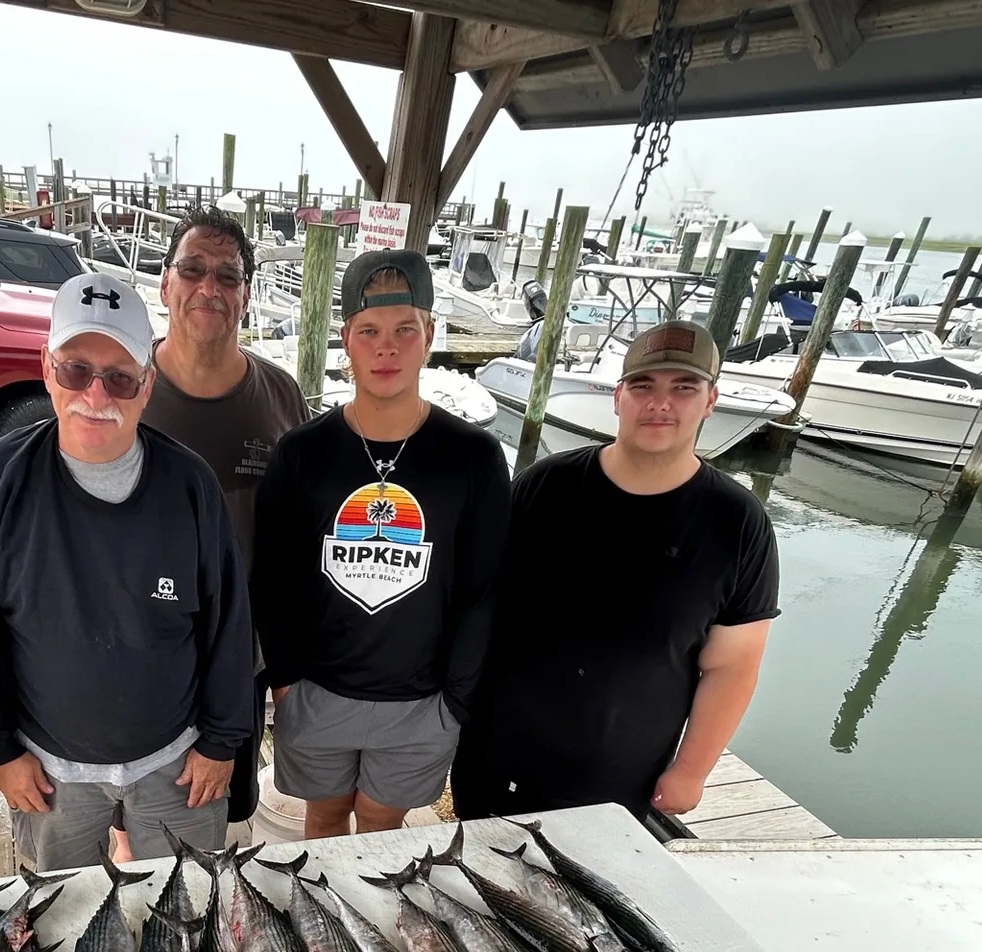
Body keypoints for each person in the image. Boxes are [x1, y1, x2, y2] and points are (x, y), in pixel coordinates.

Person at [0, 271, 254, 869]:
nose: (96, 395)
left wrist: (222, 744)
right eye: (76, 371)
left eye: (119, 378)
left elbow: (229, 622)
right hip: (48, 770)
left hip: (177, 764)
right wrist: (0, 747)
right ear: (46, 368)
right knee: (61, 928)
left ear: (147, 386)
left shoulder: (190, 483)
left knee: (189, 915)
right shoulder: (1, 476)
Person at [451, 320, 780, 821]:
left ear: (710, 400)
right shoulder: (543, 485)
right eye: (644, 386)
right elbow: (474, 603)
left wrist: (691, 771)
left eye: (683, 388)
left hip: (622, 778)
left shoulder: (739, 523)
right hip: (496, 757)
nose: (660, 403)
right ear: (618, 396)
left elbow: (732, 665)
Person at [253, 250, 510, 839]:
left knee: (379, 825)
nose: (386, 348)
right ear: (346, 339)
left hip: (422, 699)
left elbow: (485, 587)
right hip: (317, 689)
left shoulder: (474, 457)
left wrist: (456, 698)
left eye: (404, 330)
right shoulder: (301, 452)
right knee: (322, 821)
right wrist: (286, 677)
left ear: (430, 336)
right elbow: (273, 575)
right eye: (369, 331)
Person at [143, 206, 309, 832]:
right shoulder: (124, 390)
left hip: (244, 655)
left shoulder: (281, 394)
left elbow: (298, 535)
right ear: (165, 285)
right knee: (138, 815)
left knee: (227, 811)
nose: (208, 287)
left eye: (228, 276)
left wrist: (292, 659)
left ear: (246, 295)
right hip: (143, 653)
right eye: (192, 270)